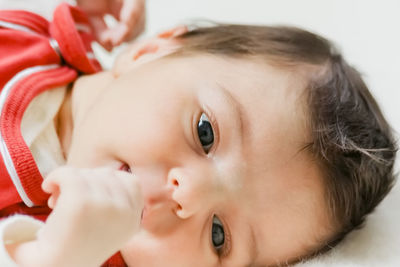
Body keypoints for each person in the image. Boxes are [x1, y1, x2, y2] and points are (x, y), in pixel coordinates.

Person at [0, 2, 397, 267]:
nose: (187, 196)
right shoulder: (32, 42)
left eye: (219, 235)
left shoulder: (88, 253)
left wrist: (56, 256)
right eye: (205, 133)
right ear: (149, 52)